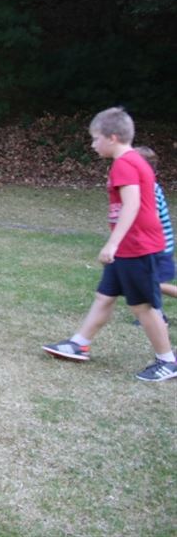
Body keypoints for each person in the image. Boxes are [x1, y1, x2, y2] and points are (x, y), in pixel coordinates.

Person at [42, 108, 176, 382]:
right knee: (105, 296)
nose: (93, 145)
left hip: (136, 246)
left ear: (112, 137)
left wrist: (112, 244)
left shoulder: (125, 164)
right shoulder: (134, 161)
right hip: (129, 246)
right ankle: (79, 343)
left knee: (143, 306)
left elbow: (132, 205)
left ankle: (168, 361)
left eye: (96, 138)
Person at [135, 146, 175, 322]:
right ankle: (156, 313)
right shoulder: (147, 186)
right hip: (156, 243)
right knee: (144, 280)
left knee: (147, 282)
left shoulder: (148, 188)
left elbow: (153, 218)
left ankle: (156, 315)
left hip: (157, 245)